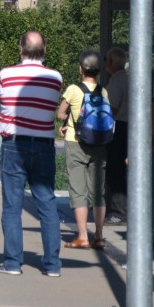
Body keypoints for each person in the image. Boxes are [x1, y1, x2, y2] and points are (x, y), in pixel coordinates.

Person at [0, 30, 63, 277]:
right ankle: (52, 265)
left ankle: (13, 262)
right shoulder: (55, 77)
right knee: (47, 204)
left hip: (13, 145)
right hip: (44, 145)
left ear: (20, 50)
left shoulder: (6, 74)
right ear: (43, 51)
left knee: (12, 205)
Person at [57, 49, 109, 249]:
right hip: (99, 143)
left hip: (76, 142)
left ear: (81, 69)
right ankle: (99, 236)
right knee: (98, 192)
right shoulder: (103, 91)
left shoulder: (73, 89)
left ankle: (82, 236)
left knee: (78, 191)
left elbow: (61, 113)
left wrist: (68, 119)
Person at [101, 46, 128, 224]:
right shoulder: (129, 78)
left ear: (110, 63)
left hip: (119, 127)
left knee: (115, 170)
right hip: (130, 127)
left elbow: (112, 107)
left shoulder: (117, 81)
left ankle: (119, 212)